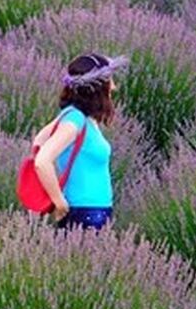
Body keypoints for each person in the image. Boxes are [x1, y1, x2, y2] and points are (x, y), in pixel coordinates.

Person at [29, 53, 126, 230]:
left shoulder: (75, 116)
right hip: (85, 213)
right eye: (109, 81)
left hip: (92, 210)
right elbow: (42, 161)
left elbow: (39, 140)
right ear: (96, 87)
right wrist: (58, 201)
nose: (113, 86)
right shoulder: (75, 121)